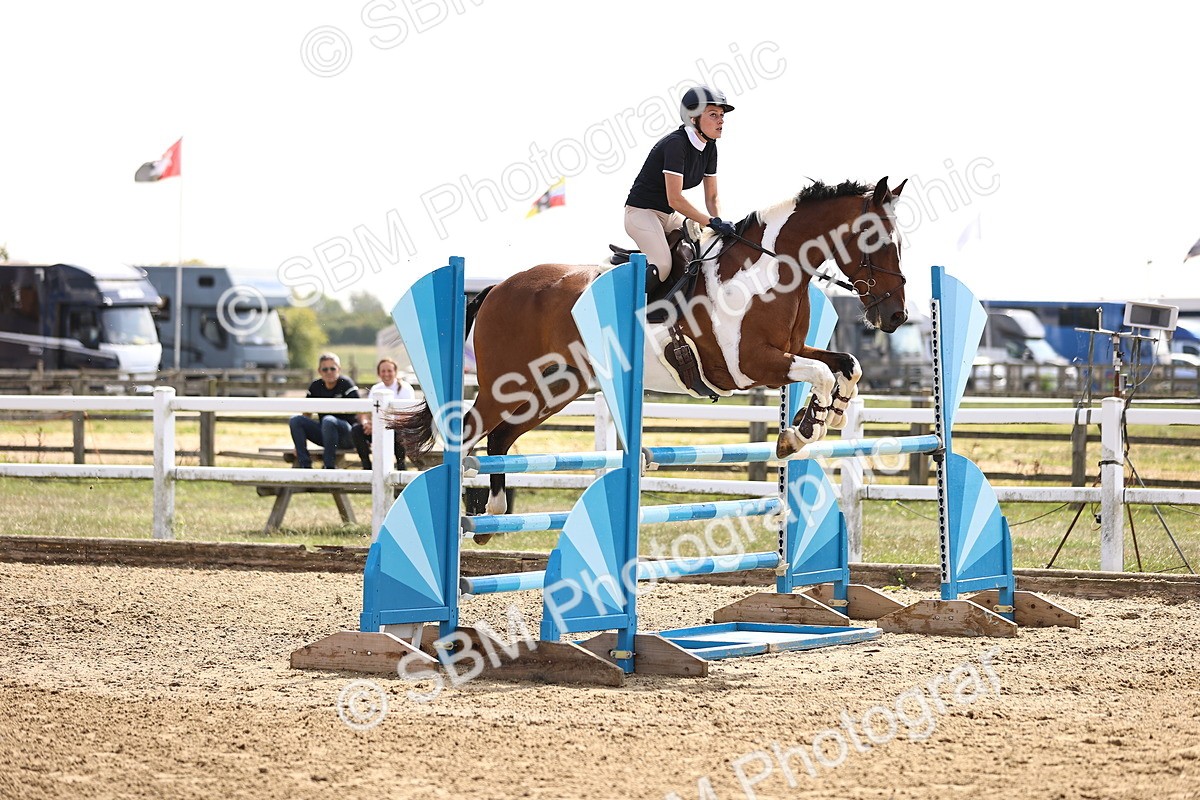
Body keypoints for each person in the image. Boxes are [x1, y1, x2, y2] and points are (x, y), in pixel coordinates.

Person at [624, 85, 736, 293]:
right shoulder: (676, 144)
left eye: (722, 115)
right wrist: (711, 222)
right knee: (663, 265)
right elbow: (674, 199)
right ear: (693, 118)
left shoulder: (710, 146)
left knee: (704, 251)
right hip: (641, 213)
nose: (721, 121)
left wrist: (718, 223)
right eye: (713, 115)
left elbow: (712, 197)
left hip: (668, 216)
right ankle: (629, 307)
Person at [289, 353, 360, 469]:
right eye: (325, 369)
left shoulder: (346, 384)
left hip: (347, 436)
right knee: (295, 420)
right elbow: (307, 413)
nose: (329, 372)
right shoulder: (315, 386)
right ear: (319, 371)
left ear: (339, 369)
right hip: (326, 434)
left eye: (332, 368)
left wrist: (362, 437)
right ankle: (304, 466)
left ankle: (328, 466)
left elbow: (361, 411)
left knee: (328, 420)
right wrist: (298, 443)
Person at [351, 357, 416, 470]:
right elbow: (367, 412)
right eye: (383, 371)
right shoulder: (376, 388)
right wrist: (367, 423)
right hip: (378, 428)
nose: (386, 374)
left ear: (395, 372)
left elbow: (407, 414)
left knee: (399, 432)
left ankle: (401, 466)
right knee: (357, 430)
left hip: (398, 428)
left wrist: (383, 425)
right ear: (379, 373)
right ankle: (366, 466)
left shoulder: (405, 388)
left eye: (389, 371)